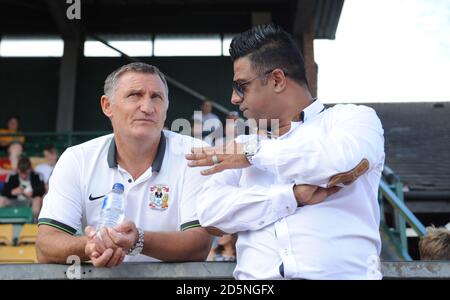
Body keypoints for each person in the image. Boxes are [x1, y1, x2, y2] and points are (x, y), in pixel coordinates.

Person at [186, 24, 385, 279]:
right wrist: (291, 196)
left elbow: (342, 162)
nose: (234, 98)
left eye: (241, 86)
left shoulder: (354, 119)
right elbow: (210, 214)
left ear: (277, 80)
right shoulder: (242, 145)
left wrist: (252, 152)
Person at [36, 62, 212, 267]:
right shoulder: (77, 159)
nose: (147, 107)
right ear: (107, 106)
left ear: (166, 107)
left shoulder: (195, 154)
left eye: (156, 97)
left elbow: (200, 243)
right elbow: (45, 246)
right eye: (134, 95)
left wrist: (138, 240)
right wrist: (90, 246)